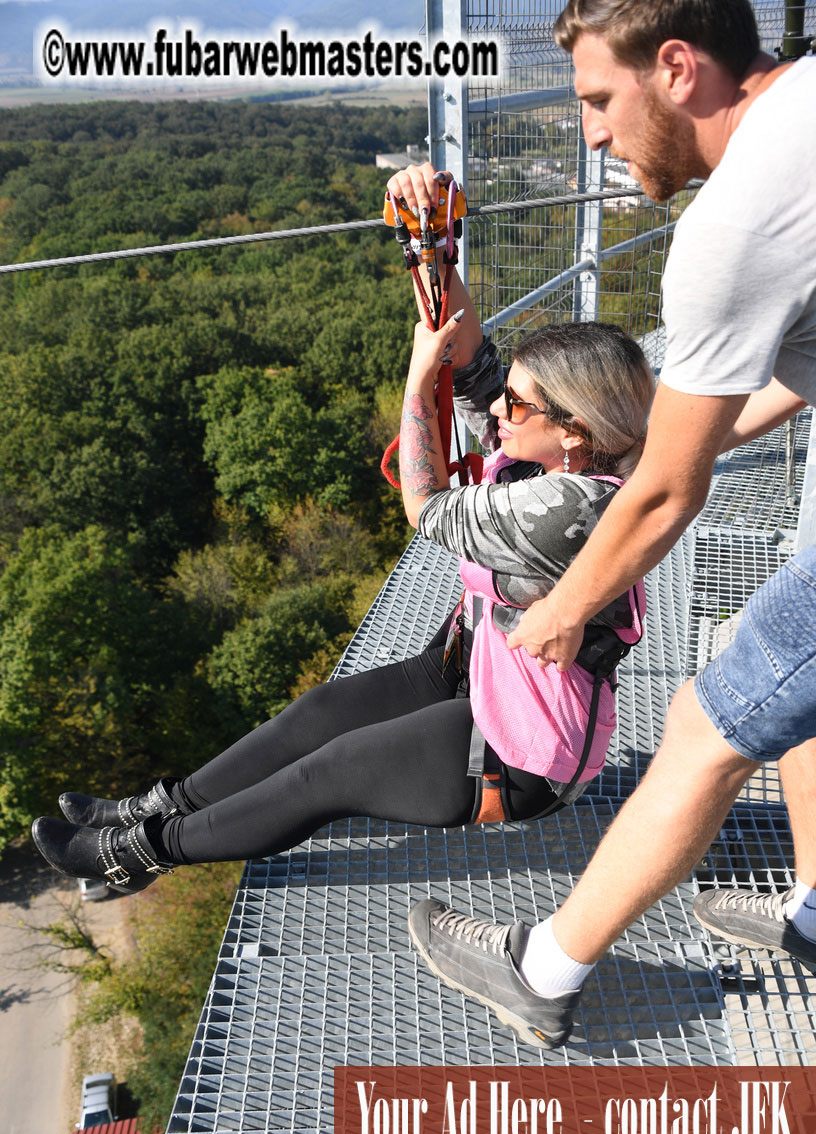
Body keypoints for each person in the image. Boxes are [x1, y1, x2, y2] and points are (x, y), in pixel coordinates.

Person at [31, 250, 652, 1049]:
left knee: (326, 774)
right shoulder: (560, 452)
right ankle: (155, 805)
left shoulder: (567, 510)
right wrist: (434, 248)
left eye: (517, 406)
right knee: (321, 711)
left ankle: (136, 852)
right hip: (475, 671)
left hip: (520, 753)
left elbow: (425, 504)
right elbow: (473, 362)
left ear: (574, 428)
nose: (498, 411)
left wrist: (411, 379)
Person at [406, 0, 816, 1050]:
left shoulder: (735, 221)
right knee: (791, 678)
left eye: (598, 98)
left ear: (676, 68)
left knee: (713, 717)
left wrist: (562, 613)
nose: (589, 131)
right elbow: (782, 381)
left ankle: (544, 970)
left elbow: (668, 501)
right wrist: (662, 447)